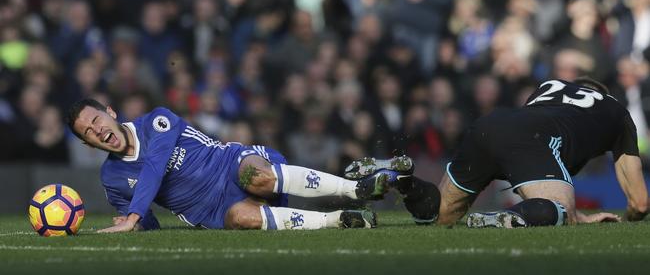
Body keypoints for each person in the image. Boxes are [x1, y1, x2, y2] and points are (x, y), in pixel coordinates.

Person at [348, 78, 649, 228]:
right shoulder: (616, 112)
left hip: (492, 123)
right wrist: (631, 217)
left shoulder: (549, 86)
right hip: (532, 139)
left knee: (439, 216)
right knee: (560, 212)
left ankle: (403, 179)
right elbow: (639, 201)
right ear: (603, 94)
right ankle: (502, 218)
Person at [66, 98, 402, 232]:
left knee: (254, 175)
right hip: (213, 211)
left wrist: (134, 215)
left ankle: (354, 188)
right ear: (87, 143)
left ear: (110, 112)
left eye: (96, 119)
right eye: (88, 132)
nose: (97, 130)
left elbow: (154, 166)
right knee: (242, 218)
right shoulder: (112, 178)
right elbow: (151, 228)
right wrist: (135, 224)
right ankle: (339, 219)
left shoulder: (156, 121)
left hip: (231, 164)